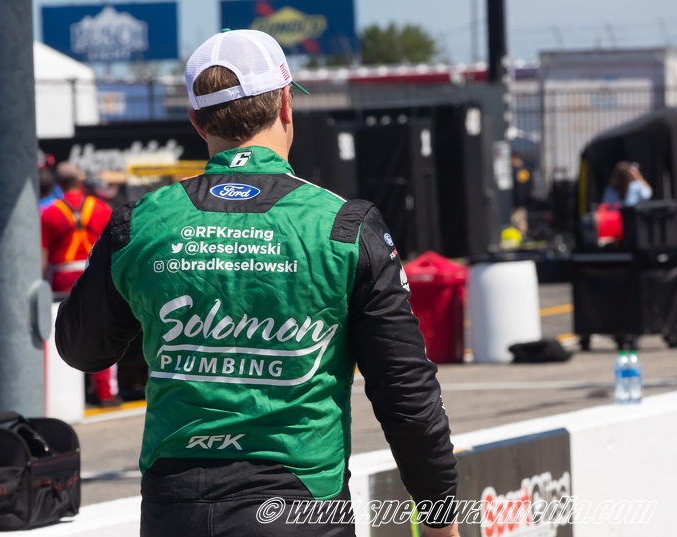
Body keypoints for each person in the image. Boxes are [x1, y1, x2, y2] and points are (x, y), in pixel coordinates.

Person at [56, 29, 459, 537]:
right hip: (302, 508)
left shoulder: (139, 223)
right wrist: (442, 520)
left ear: (196, 121)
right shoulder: (343, 226)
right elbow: (407, 392)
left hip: (176, 509)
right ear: (286, 104)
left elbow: (81, 350)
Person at [41, 161, 119, 406]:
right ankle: (106, 393)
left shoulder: (49, 212)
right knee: (102, 330)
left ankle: (69, 394)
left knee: (65, 333)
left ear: (58, 183)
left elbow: (42, 254)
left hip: (62, 277)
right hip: (94, 274)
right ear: (81, 181)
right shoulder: (101, 207)